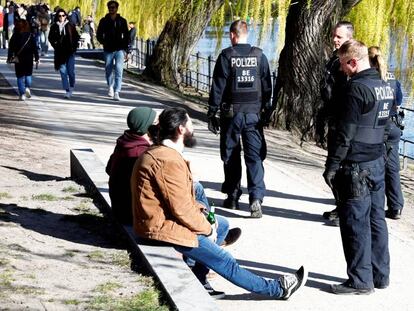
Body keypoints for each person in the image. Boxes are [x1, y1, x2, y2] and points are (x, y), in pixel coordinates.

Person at [131, 107, 307, 299]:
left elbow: (179, 201)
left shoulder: (164, 154)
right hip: (160, 231)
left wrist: (205, 216)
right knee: (225, 261)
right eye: (190, 123)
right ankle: (278, 289)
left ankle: (198, 280)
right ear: (181, 129)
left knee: (221, 224)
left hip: (162, 222)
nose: (193, 128)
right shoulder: (167, 161)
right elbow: (181, 209)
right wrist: (206, 228)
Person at [106, 106, 241, 248]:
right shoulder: (142, 152)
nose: (159, 124)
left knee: (195, 188)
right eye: (156, 121)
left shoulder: (126, 142)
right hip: (134, 213)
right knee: (197, 189)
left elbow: (109, 169)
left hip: (120, 207)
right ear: (147, 126)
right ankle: (208, 235)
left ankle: (207, 226)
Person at [323, 39, 392, 294]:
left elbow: (345, 134)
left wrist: (332, 165)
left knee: (355, 223)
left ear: (353, 61)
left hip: (356, 166)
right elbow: (387, 128)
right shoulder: (384, 85)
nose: (341, 70)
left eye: (343, 64)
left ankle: (360, 281)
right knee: (377, 220)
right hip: (377, 162)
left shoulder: (356, 89)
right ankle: (379, 274)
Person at [207, 20, 272, 218]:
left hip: (231, 115)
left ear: (232, 35)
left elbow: (218, 87)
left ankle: (233, 197)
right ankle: (256, 198)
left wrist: (212, 112)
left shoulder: (226, 56)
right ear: (246, 33)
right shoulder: (260, 56)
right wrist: (266, 111)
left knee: (231, 154)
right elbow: (267, 85)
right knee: (254, 157)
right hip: (253, 114)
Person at [318, 21, 354, 226]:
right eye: (334, 35)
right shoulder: (334, 58)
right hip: (333, 118)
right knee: (333, 168)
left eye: (339, 37)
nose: (334, 39)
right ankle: (340, 206)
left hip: (343, 122)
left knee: (339, 168)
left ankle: (346, 210)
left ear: (349, 37)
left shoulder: (351, 61)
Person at [368, 46, 404, 220]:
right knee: (392, 168)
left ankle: (374, 203)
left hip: (379, 127)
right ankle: (396, 206)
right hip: (394, 126)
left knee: (375, 166)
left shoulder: (370, 79)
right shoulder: (393, 79)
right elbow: (398, 101)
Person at [96, 0, 129, 101]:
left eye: (113, 7)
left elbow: (126, 36)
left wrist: (125, 49)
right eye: (110, 7)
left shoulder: (122, 21)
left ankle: (117, 91)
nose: (111, 9)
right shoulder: (104, 20)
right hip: (108, 49)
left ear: (117, 8)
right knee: (108, 69)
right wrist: (104, 42)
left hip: (119, 49)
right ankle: (110, 86)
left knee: (119, 70)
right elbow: (99, 34)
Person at [48, 8, 79, 99]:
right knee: (63, 72)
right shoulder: (54, 26)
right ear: (57, 16)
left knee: (70, 72)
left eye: (63, 15)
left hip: (69, 52)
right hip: (59, 53)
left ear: (66, 16)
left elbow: (76, 37)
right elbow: (50, 38)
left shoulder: (70, 25)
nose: (61, 17)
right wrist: (55, 44)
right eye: (59, 16)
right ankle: (67, 90)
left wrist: (74, 47)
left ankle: (72, 86)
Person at [7, 19, 39, 101]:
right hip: (28, 58)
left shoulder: (14, 36)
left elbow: (11, 48)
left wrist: (9, 57)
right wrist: (37, 58)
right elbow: (34, 48)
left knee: (20, 76)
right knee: (28, 74)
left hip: (18, 58)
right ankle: (27, 87)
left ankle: (22, 94)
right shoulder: (30, 35)